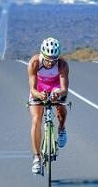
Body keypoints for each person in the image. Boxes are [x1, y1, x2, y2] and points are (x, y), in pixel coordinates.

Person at [27, 37, 69, 175]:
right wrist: (40, 96)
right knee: (36, 120)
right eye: (48, 59)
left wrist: (58, 94)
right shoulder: (34, 62)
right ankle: (37, 158)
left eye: (54, 59)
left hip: (55, 87)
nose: (51, 62)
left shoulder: (62, 64)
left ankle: (62, 129)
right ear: (42, 55)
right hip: (39, 89)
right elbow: (32, 88)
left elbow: (64, 88)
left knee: (61, 107)